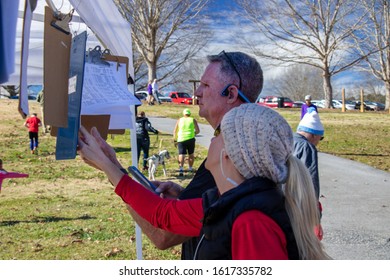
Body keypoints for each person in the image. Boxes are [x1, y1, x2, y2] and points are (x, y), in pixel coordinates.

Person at [78, 103, 331, 259]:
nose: (211, 139)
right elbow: (162, 215)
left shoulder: (252, 221)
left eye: (219, 134)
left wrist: (108, 167)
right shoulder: (224, 202)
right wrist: (110, 165)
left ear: (230, 154)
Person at [77, 51, 264, 260]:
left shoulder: (232, 160)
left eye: (206, 85)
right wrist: (184, 195)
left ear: (230, 93)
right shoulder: (247, 153)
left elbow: (162, 232)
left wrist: (108, 166)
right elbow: (203, 212)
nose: (197, 93)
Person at [294, 110, 325, 240]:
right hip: (299, 203)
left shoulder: (288, 140)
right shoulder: (307, 147)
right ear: (313, 135)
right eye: (320, 138)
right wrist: (315, 214)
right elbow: (311, 181)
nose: (319, 141)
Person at [173, 108, 200, 176]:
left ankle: (181, 169)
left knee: (181, 154)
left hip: (181, 139)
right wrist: (193, 133)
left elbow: (175, 131)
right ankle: (190, 168)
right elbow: (198, 130)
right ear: (190, 114)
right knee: (191, 154)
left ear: (183, 114)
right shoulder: (193, 120)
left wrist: (175, 139)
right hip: (190, 139)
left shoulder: (179, 120)